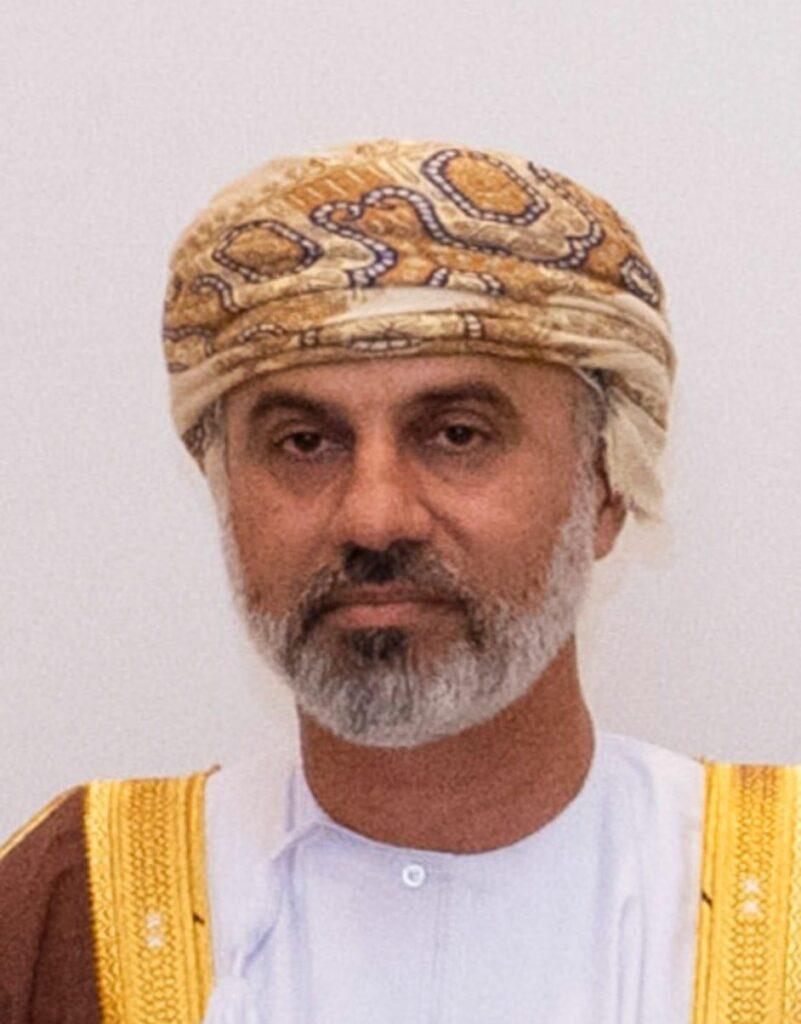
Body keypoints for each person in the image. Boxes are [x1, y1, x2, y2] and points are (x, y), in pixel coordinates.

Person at [1, 138, 797, 1024]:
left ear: (604, 488)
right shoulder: (69, 913)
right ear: (226, 493)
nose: (374, 518)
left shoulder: (784, 901)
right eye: (305, 443)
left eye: (456, 435)